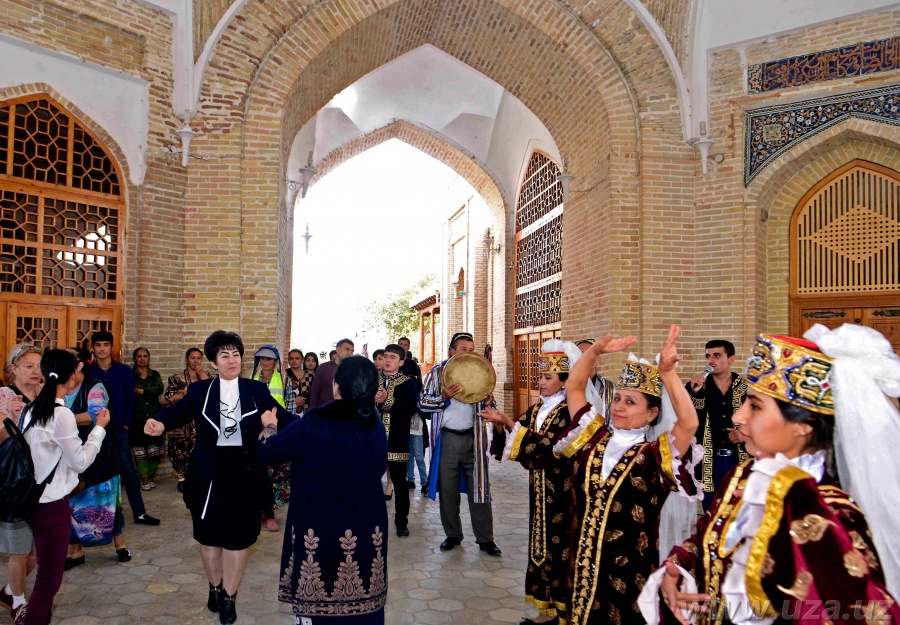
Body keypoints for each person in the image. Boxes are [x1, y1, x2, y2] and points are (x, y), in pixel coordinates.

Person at [639, 326, 900, 625]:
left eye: (755, 407)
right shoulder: (744, 475)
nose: (739, 417)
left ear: (803, 425)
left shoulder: (831, 512)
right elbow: (709, 535)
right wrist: (676, 568)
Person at [485, 328, 700, 625]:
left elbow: (688, 423)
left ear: (651, 414)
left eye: (631, 402)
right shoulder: (593, 439)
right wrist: (594, 351)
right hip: (582, 569)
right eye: (619, 399)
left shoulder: (654, 456)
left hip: (629, 577)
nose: (620, 406)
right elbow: (575, 386)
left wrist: (668, 374)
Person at [143, 330, 297, 624]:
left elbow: (282, 417)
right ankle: (214, 587)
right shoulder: (201, 391)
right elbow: (176, 412)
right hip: (208, 473)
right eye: (224, 355)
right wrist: (159, 423)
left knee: (238, 541)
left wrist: (315, 426)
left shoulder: (255, 390)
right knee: (210, 540)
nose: (232, 360)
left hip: (245, 472)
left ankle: (229, 596)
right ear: (213, 362)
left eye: (236, 354)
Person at [257, 355, 388, 624]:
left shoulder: (316, 422)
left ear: (337, 386)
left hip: (321, 529)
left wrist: (269, 425)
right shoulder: (373, 421)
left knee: (319, 608)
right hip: (365, 528)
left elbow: (267, 452)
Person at [479, 339, 585, 625]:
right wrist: (499, 422)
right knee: (541, 548)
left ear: (564, 382)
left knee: (562, 549)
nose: (540, 382)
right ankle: (546, 609)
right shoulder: (539, 410)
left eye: (547, 377)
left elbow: (554, 449)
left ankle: (566, 612)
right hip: (540, 490)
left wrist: (511, 424)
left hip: (564, 492)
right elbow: (516, 437)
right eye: (540, 376)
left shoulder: (570, 414)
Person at [21, 349, 110, 625]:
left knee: (47, 574)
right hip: (50, 505)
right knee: (49, 579)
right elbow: (80, 462)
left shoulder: (31, 407)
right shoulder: (61, 415)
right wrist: (100, 428)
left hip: (33, 499)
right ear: (73, 376)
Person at [419, 332, 501, 556]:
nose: (469, 353)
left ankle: (486, 539)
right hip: (447, 438)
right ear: (451, 352)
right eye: (464, 349)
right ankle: (452, 535)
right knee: (448, 490)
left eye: (472, 349)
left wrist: (489, 402)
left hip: (473, 438)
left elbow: (491, 405)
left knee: (480, 488)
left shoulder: (481, 372)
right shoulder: (436, 373)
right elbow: (423, 406)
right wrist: (443, 397)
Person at [63, 347, 131, 569]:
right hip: (71, 453)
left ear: (79, 365)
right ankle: (75, 552)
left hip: (100, 453)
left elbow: (96, 414)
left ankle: (120, 546)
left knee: (109, 503)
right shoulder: (60, 387)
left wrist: (60, 418)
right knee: (73, 503)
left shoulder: (95, 386)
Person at [88, 331, 159, 526]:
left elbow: (130, 399)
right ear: (92, 348)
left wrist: (126, 423)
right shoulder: (88, 372)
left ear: (112, 347)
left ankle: (140, 513)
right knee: (97, 471)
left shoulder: (124, 371)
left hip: (119, 429)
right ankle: (99, 516)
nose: (102, 349)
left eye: (105, 344)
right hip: (95, 430)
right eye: (98, 345)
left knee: (128, 471)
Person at [0, 344, 41, 620]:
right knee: (19, 550)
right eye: (29, 366)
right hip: (13, 483)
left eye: (39, 366)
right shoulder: (4, 397)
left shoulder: (46, 396)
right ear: (13, 370)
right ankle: (18, 601)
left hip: (41, 483)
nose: (36, 372)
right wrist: (10, 419)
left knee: (38, 550)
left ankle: (7, 591)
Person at [685, 339, 748, 510]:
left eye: (717, 356)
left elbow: (761, 420)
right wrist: (695, 394)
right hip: (708, 462)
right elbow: (687, 420)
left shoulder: (746, 388)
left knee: (739, 511)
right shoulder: (696, 387)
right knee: (711, 511)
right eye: (708, 356)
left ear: (731, 359)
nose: (710, 361)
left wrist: (744, 434)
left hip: (739, 458)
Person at [376, 344, 419, 538]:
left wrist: (387, 400)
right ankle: (371, 521)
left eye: (392, 357)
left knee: (400, 482)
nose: (387, 360)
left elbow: (408, 410)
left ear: (401, 362)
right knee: (369, 481)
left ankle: (401, 522)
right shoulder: (372, 380)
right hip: (373, 440)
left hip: (397, 439)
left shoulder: (408, 383)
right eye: (386, 356)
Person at [251, 344, 289, 530]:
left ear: (276, 362)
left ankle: (270, 513)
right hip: (256, 430)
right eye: (262, 359)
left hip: (277, 430)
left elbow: (288, 407)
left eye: (269, 359)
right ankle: (260, 509)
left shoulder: (283, 379)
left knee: (274, 472)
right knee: (257, 471)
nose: (265, 362)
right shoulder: (252, 379)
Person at [164, 347, 209, 493]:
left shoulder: (205, 375)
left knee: (198, 449)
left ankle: (195, 477)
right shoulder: (177, 377)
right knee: (180, 450)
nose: (195, 361)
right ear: (186, 359)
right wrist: (188, 398)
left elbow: (212, 390)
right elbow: (169, 397)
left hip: (200, 421)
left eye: (198, 358)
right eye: (192, 358)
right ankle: (181, 479)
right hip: (183, 421)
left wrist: (201, 373)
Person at [131, 347, 164, 491]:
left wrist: (141, 391)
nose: (142, 359)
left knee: (154, 449)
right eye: (139, 356)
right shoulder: (130, 375)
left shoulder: (154, 374)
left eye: (145, 356)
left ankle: (151, 475)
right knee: (140, 450)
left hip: (154, 417)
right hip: (136, 418)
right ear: (135, 358)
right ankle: (143, 477)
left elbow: (158, 389)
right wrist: (146, 393)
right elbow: (131, 393)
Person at [575, 338, 614, 421]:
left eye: (591, 354)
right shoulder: (568, 388)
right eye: (582, 354)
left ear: (598, 359)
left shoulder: (611, 388)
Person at [309, 339, 354, 409]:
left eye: (352, 351)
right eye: (347, 349)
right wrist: (312, 416)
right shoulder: (323, 368)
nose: (350, 353)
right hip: (324, 414)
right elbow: (314, 394)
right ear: (337, 349)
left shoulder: (354, 371)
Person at [284, 349, 307, 416]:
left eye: (297, 358)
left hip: (306, 413)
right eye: (291, 358)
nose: (294, 361)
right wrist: (294, 400)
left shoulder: (310, 376)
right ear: (288, 360)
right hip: (288, 411)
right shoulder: (283, 374)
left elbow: (313, 394)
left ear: (302, 360)